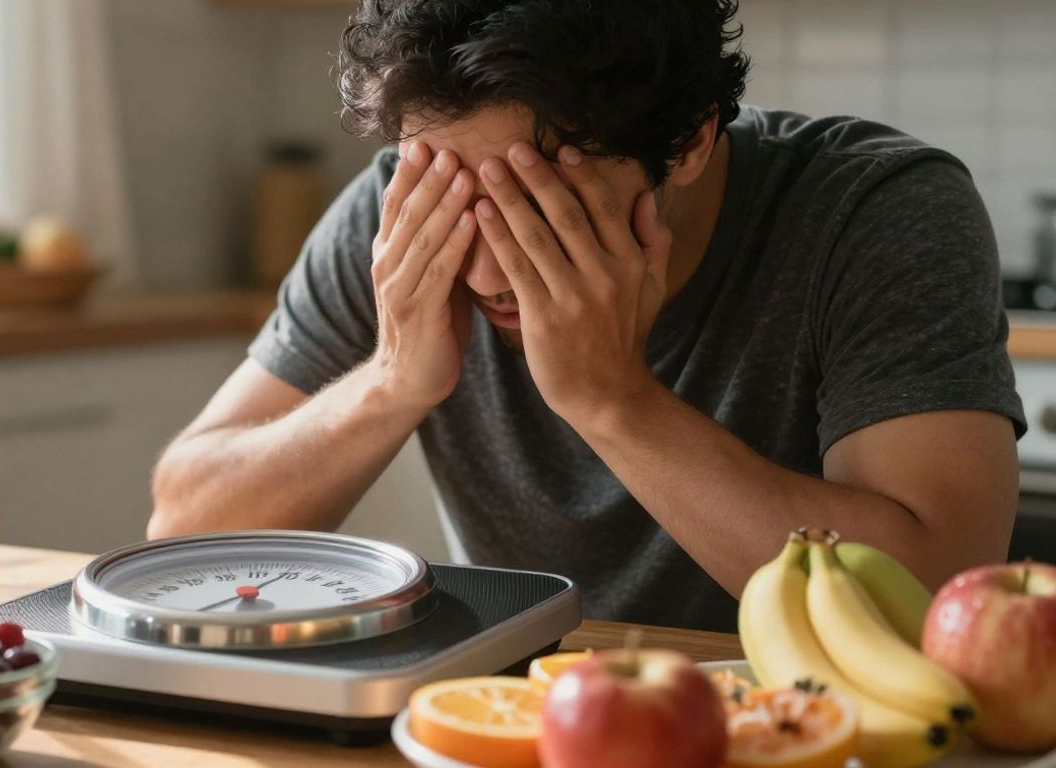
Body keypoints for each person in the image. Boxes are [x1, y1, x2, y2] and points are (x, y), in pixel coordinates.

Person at [150, 0, 1025, 632]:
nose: (487, 267)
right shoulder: (394, 221)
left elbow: (937, 601)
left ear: (688, 139)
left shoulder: (877, 213)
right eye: (450, 189)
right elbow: (180, 530)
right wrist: (389, 382)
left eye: (544, 202)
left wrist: (614, 400)